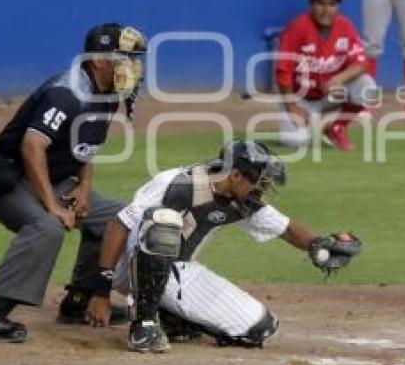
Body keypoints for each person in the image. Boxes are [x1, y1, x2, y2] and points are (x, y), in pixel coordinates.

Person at [85, 140, 362, 353]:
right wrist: (101, 292)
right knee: (164, 221)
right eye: (260, 182)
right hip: (128, 264)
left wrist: (318, 244)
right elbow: (117, 225)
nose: (262, 191)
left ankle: (171, 316)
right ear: (236, 176)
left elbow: (286, 229)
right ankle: (143, 325)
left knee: (258, 328)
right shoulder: (178, 184)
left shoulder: (243, 201)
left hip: (176, 271)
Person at [0, 23, 146, 342]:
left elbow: (85, 146)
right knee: (46, 227)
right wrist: (52, 205)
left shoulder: (107, 93)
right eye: (124, 58)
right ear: (99, 60)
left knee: (117, 217)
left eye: (134, 59)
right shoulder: (66, 93)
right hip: (6, 178)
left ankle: (79, 301)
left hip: (51, 177)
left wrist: (84, 186)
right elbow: (31, 146)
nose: (133, 66)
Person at [274, 0, 377, 151]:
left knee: (367, 87)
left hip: (330, 95)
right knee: (296, 142)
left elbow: (360, 63)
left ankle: (337, 127)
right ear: (311, 5)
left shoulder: (345, 26)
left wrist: (339, 78)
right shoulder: (296, 28)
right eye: (321, 3)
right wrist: (292, 106)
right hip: (301, 98)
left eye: (331, 4)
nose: (326, 10)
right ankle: (314, 123)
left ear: (337, 7)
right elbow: (282, 72)